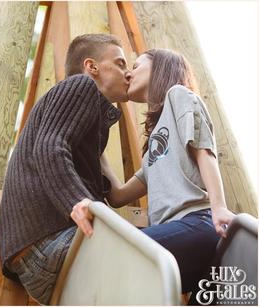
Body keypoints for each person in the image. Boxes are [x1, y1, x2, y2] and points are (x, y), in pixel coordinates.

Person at [71, 48, 236, 296]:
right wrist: (94, 141)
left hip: (197, 223)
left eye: (136, 66)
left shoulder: (177, 96)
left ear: (159, 68)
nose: (128, 74)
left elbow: (204, 151)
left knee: (112, 257)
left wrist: (219, 206)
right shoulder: (153, 152)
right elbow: (117, 195)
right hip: (175, 244)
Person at [0, 34, 131, 305]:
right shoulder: (80, 85)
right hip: (48, 243)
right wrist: (78, 201)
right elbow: (50, 146)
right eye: (120, 63)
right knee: (159, 255)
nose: (128, 73)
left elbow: (115, 194)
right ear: (91, 67)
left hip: (35, 264)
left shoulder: (92, 131)